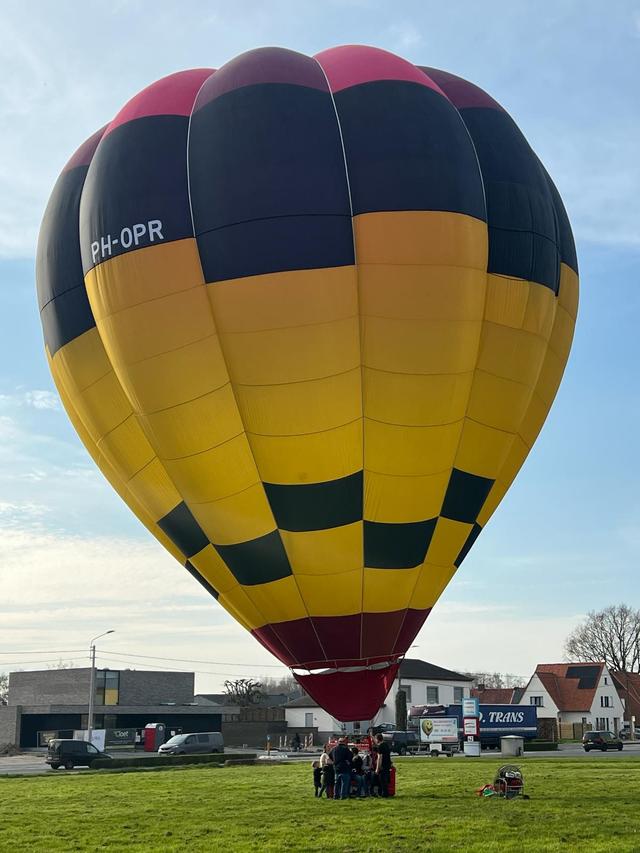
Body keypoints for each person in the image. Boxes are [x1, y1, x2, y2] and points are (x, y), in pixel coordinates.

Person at [375, 733, 392, 798]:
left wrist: (377, 768)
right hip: (388, 764)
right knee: (386, 780)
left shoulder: (380, 746)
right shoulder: (386, 745)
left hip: (383, 765)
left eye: (376, 739)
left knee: (382, 780)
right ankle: (386, 793)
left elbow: (380, 757)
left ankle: (384, 794)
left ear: (378, 739)